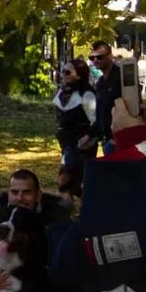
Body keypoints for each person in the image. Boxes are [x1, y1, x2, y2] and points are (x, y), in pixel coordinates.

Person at [54, 58, 98, 200]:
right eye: (63, 71)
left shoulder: (86, 94)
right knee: (73, 184)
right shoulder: (63, 92)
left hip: (81, 146)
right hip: (66, 144)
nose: (63, 74)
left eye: (67, 72)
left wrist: (87, 137)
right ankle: (74, 208)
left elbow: (96, 121)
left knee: (65, 181)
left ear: (79, 75)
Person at [90, 41, 125, 156]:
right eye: (92, 58)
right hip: (106, 141)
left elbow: (130, 109)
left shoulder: (122, 78)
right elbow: (100, 113)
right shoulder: (100, 82)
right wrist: (91, 135)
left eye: (100, 57)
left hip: (120, 141)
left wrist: (116, 138)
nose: (95, 60)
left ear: (109, 56)